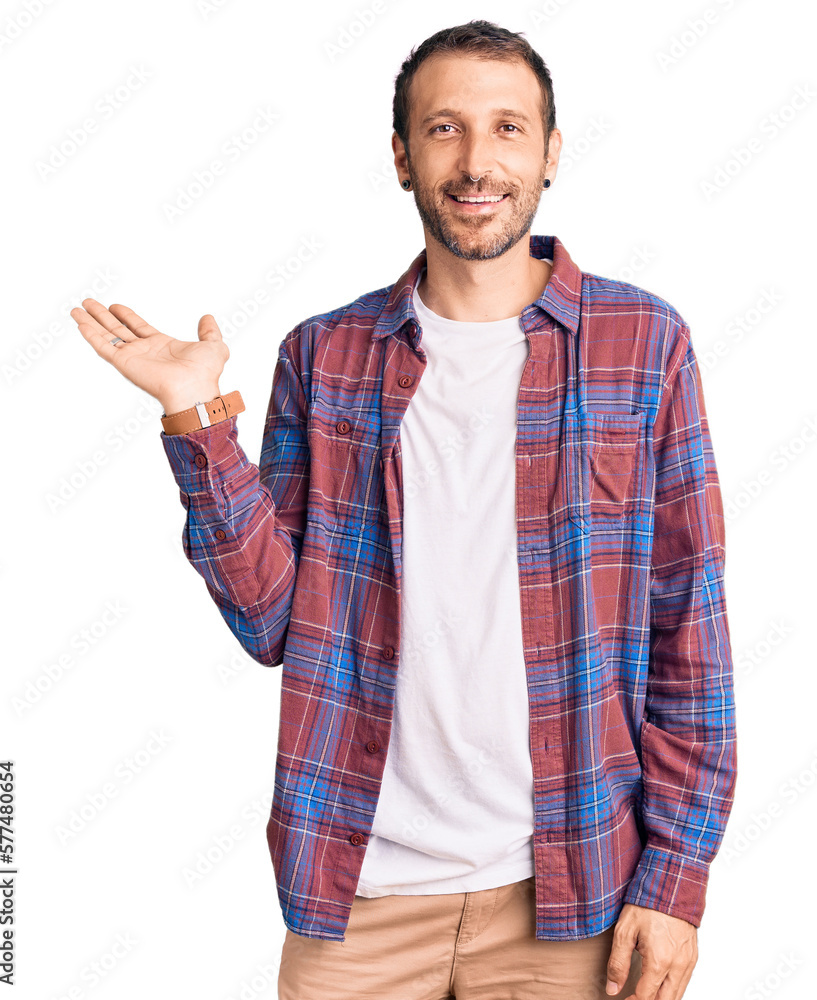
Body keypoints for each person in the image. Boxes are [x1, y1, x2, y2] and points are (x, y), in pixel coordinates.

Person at [71, 19, 737, 1000]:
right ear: (400, 156)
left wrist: (676, 881)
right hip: (362, 900)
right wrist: (194, 416)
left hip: (574, 893)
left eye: (507, 128)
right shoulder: (324, 357)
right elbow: (271, 623)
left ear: (550, 152)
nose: (476, 162)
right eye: (443, 128)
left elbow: (690, 624)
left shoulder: (642, 345)